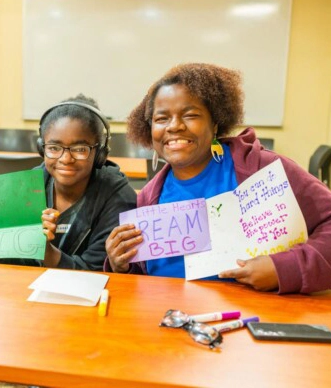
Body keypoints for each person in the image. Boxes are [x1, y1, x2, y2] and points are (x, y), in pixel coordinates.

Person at [0, 97, 137, 388]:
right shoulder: (26, 186)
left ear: (99, 152)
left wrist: (46, 250)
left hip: (82, 312)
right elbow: (4, 269)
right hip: (24, 301)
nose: (65, 158)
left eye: (80, 148)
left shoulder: (117, 195)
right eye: (54, 147)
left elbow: (99, 277)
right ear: (42, 148)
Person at [104, 63, 331, 294]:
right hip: (166, 321)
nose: (175, 126)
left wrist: (283, 269)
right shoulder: (149, 197)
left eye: (190, 115)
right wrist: (120, 264)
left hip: (251, 319)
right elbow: (141, 283)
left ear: (215, 124)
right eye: (161, 118)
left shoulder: (262, 170)